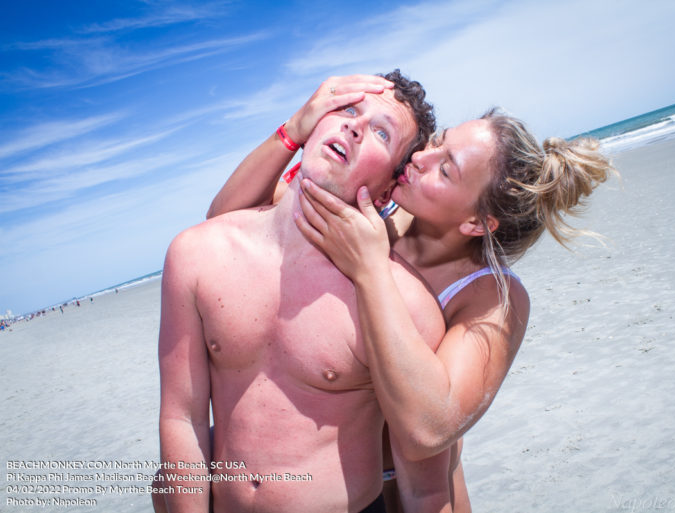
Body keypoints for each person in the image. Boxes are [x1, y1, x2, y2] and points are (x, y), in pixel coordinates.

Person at [209, 75, 616, 512]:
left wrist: (369, 270)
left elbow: (427, 432)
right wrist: (293, 130)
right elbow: (224, 228)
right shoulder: (370, 209)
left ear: (476, 223)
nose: (421, 156)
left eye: (446, 168)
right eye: (436, 143)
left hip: (420, 489)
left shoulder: (491, 298)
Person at [155, 70, 452, 513]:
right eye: (347, 109)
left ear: (391, 185)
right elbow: (183, 419)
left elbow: (424, 487)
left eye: (381, 132)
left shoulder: (404, 303)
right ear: (316, 120)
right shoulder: (197, 253)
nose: (353, 125)